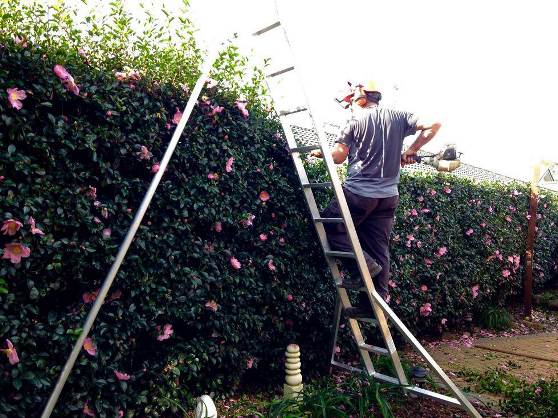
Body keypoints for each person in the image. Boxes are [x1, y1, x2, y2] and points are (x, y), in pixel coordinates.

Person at [311, 80, 441, 317]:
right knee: (378, 248)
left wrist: (320, 152)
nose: (349, 104)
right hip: (389, 197)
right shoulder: (399, 115)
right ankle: (373, 306)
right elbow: (434, 124)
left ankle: (363, 268)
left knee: (330, 229)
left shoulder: (354, 120)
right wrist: (412, 150)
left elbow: (339, 157)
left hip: (359, 193)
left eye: (350, 99)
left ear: (361, 97)